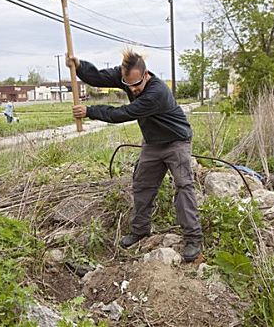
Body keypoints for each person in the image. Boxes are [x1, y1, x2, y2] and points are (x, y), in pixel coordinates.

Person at [66, 49, 203, 262]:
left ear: (145, 74)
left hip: (176, 141)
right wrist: (80, 66)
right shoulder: (126, 77)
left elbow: (123, 114)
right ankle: (140, 231)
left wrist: (90, 111)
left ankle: (193, 239)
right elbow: (97, 77)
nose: (133, 89)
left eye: (136, 85)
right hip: (152, 143)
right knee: (142, 185)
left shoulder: (156, 92)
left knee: (184, 186)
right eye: (128, 85)